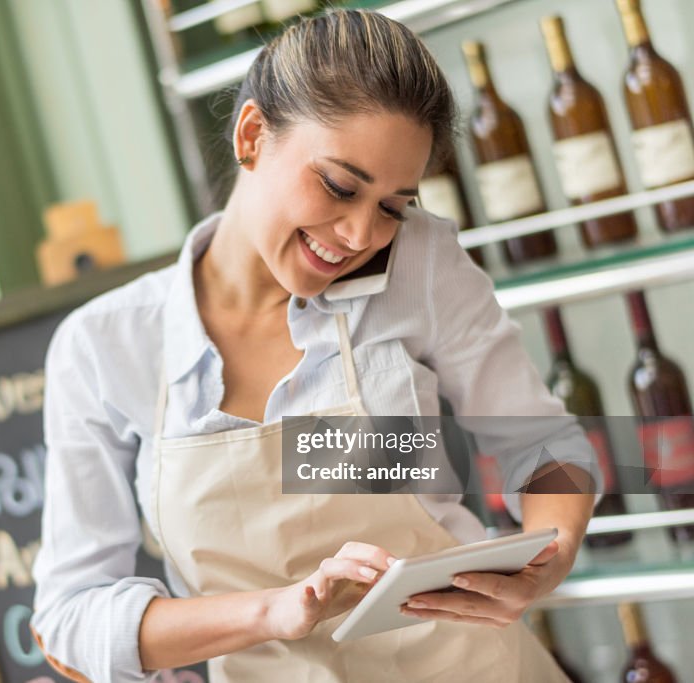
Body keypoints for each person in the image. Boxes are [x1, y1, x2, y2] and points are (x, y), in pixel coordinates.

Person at [29, 8, 599, 683]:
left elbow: (547, 448)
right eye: (338, 185)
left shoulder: (420, 264)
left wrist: (549, 560)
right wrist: (273, 612)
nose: (360, 233)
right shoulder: (104, 345)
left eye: (393, 205)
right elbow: (69, 622)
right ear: (251, 136)